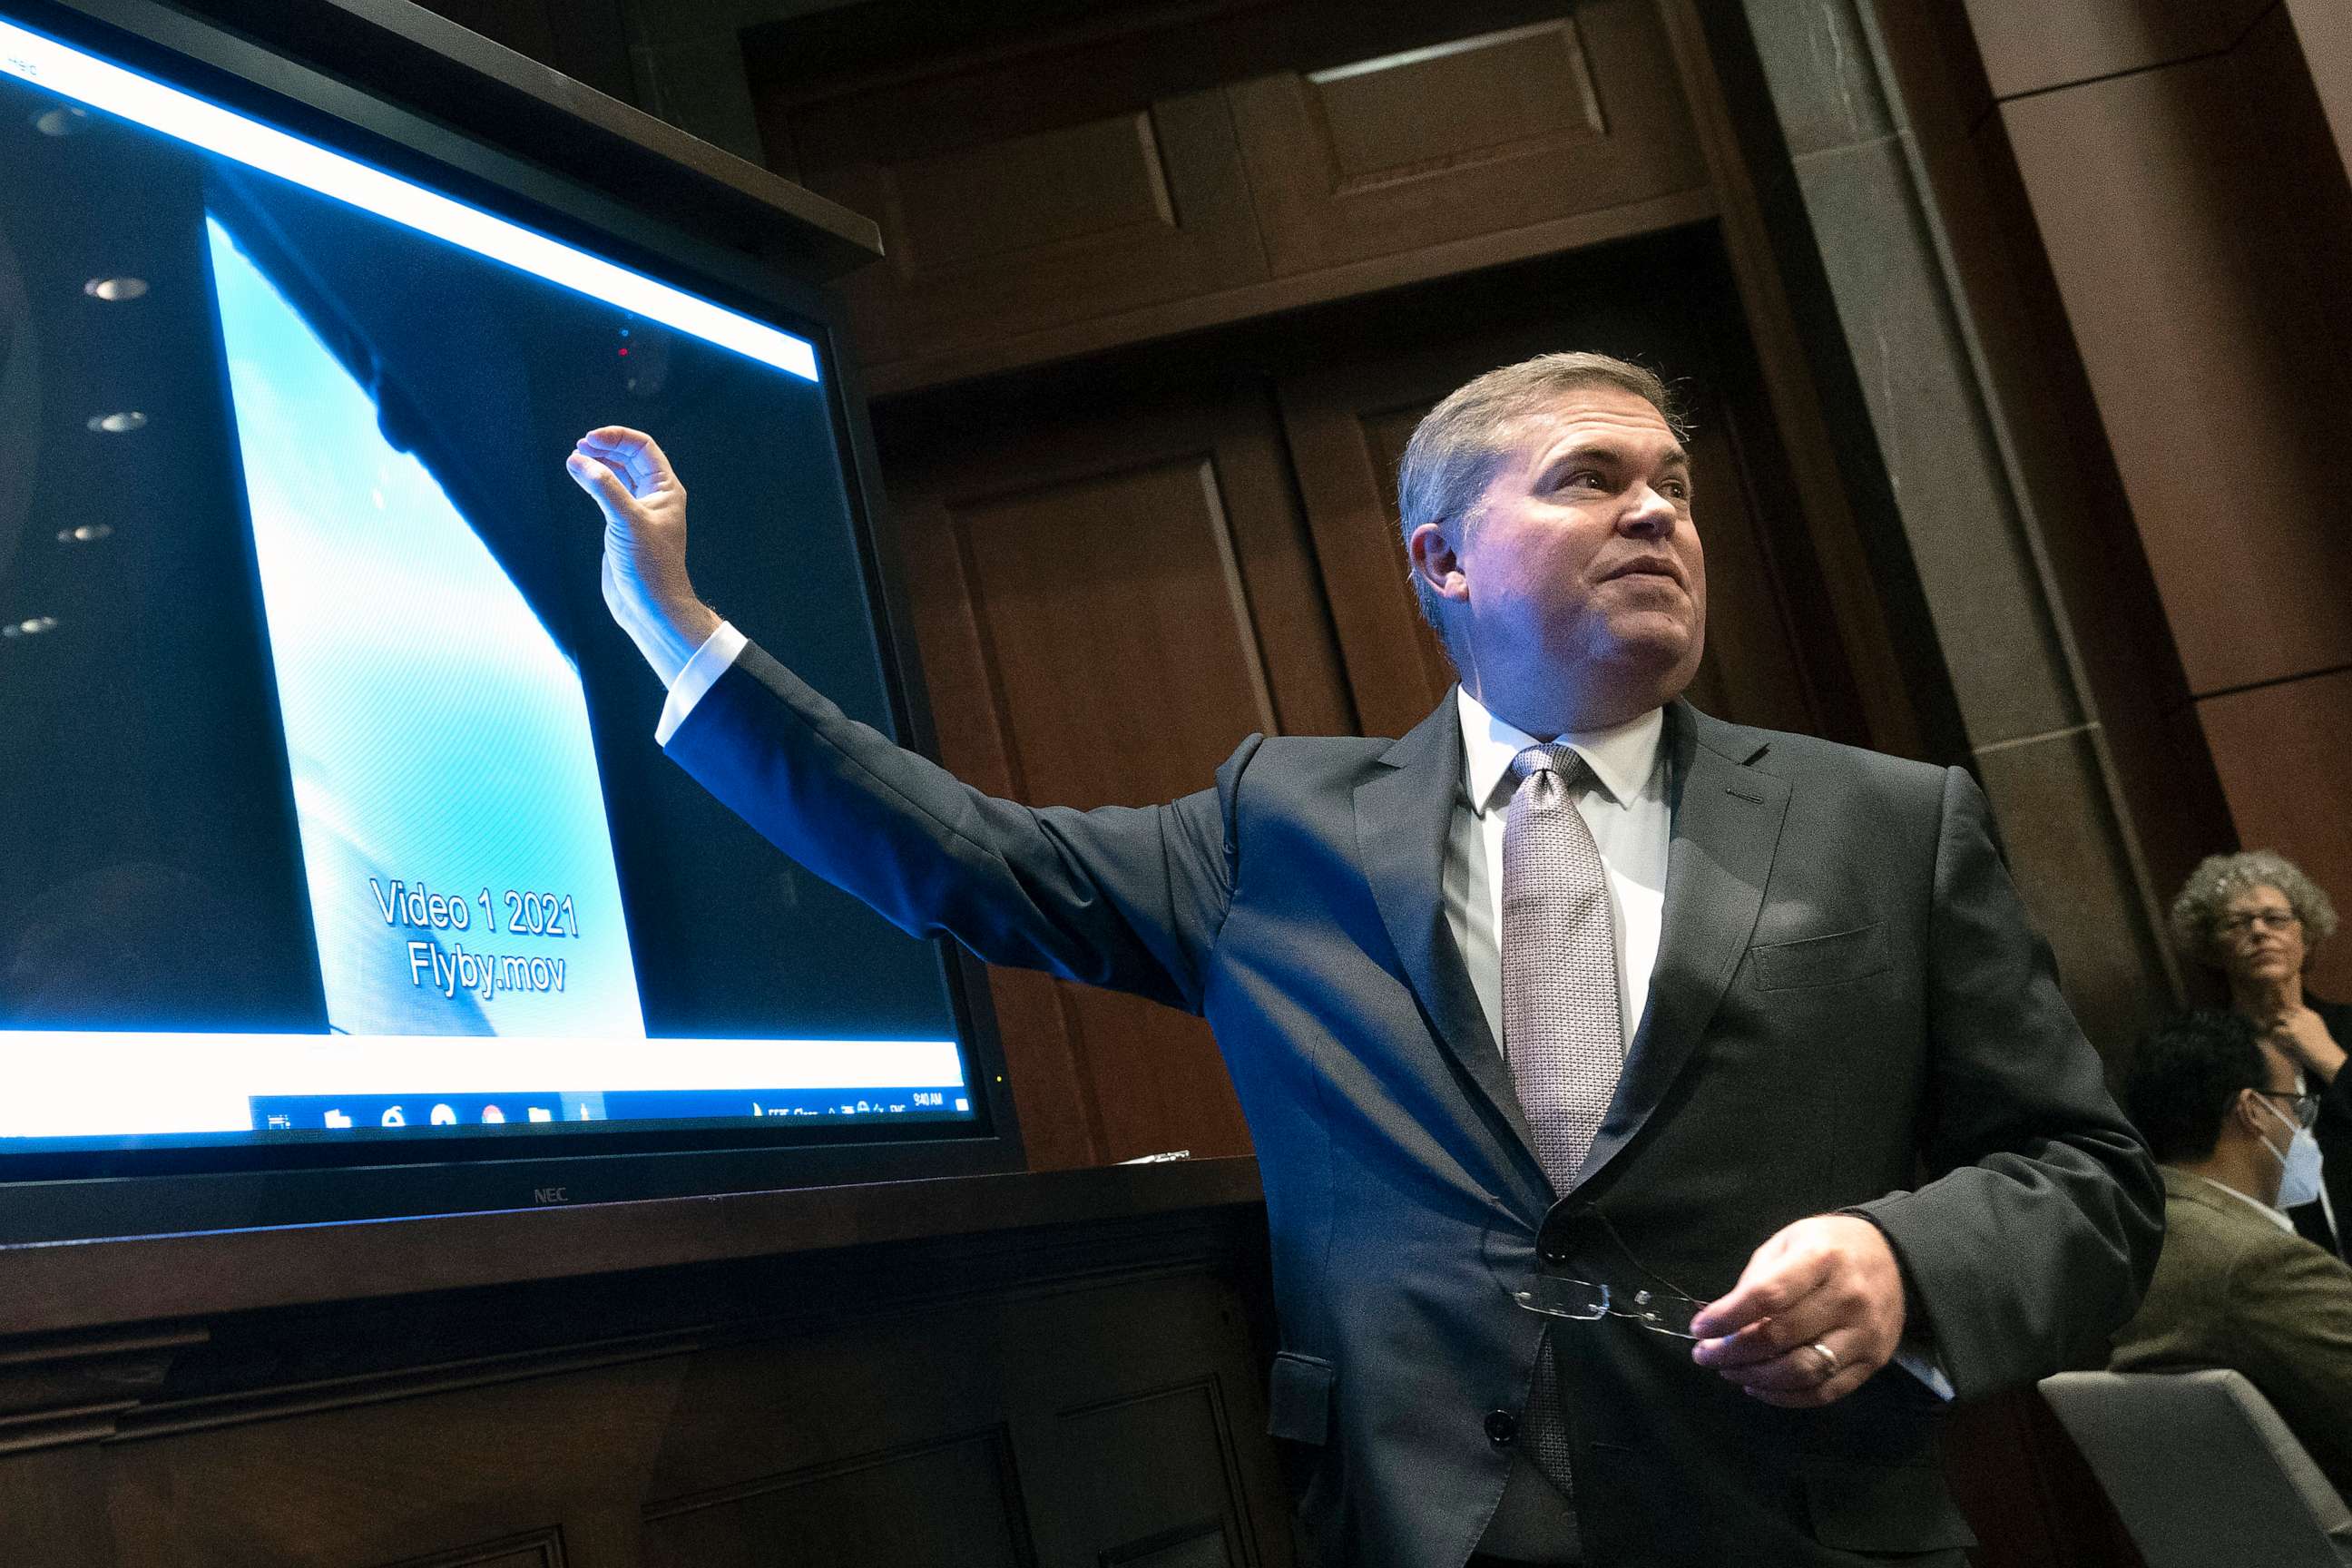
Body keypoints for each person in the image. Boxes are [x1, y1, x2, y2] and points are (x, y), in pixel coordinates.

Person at [565, 352, 2161, 1568]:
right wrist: (677, 631)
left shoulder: (1888, 821)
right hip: (1424, 1525)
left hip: (1798, 1523)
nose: (1661, 509)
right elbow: (969, 856)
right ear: (1442, 561)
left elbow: (2084, 1171)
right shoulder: (1282, 827)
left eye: (1673, 480)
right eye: (1591, 479)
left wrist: (1908, 1262)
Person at [2112, 1010, 2352, 1501]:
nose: (2301, 1130)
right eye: (2298, 1109)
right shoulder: (2259, 1263)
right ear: (2255, 1110)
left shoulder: (2138, 1242)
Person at [2170, 851, 2350, 1259]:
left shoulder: (2347, 1030)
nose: (2259, 932)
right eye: (2236, 923)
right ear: (2213, 948)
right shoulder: (2203, 1055)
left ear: (2305, 936)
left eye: (2276, 919)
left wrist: (2333, 1062)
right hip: (2275, 1268)